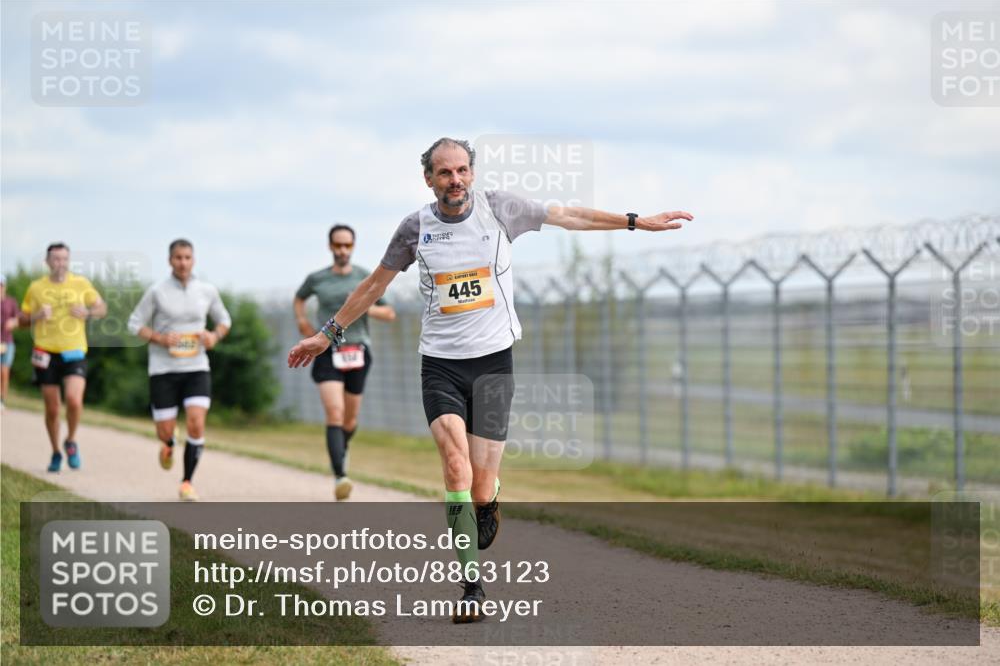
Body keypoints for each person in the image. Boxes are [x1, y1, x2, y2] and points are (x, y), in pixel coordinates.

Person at [288, 137, 692, 622]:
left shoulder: (501, 209)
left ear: (472, 173)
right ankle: (472, 587)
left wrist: (634, 221)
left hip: (494, 364)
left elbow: (570, 215)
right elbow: (374, 284)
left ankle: (490, 496)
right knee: (455, 470)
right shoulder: (415, 228)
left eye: (461, 170)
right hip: (439, 365)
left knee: (480, 488)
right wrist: (327, 334)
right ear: (429, 179)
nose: (454, 180)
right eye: (444, 173)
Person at [294, 225, 396, 500]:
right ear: (330, 246)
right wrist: (302, 321)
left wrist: (364, 305)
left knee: (349, 419)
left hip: (358, 350)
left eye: (347, 245)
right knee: (335, 413)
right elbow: (299, 298)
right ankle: (340, 475)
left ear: (353, 246)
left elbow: (389, 312)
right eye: (338, 245)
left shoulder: (365, 277)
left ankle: (341, 449)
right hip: (327, 350)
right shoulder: (317, 278)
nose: (342, 250)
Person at [127, 239, 232, 501]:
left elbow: (224, 321)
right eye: (178, 258)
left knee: (196, 423)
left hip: (197, 367)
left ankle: (187, 482)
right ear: (169, 260)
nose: (183, 262)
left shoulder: (206, 290)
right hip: (163, 369)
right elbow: (134, 324)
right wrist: (160, 338)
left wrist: (214, 337)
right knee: (165, 431)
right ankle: (168, 442)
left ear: (193, 260)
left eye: (187, 257)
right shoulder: (157, 291)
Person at [20, 243, 107, 472]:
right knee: (52, 409)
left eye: (64, 259)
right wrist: (36, 316)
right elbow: (21, 319)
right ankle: (56, 452)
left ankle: (70, 440)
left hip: (74, 351)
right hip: (45, 352)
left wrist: (88, 312)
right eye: (56, 259)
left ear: (69, 261)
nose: (61, 263)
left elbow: (102, 308)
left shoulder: (81, 284)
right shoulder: (36, 288)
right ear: (47, 262)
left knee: (74, 400)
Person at [1, 275, 21, 408]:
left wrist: (13, 322)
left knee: (4, 372)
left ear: (4, 286)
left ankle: (2, 401)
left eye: (0, 285)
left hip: (7, 342)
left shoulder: (11, 302)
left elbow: (19, 319)